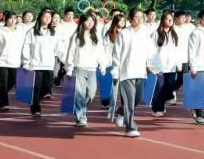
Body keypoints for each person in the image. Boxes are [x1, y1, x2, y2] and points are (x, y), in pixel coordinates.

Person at [110, 8, 156, 137]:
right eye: (137, 17)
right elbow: (117, 53)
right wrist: (115, 70)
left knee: (137, 98)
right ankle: (130, 127)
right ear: (131, 19)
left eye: (141, 17)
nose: (140, 19)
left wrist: (150, 64)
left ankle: (121, 111)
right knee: (129, 100)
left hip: (140, 71)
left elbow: (150, 51)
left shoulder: (145, 33)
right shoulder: (124, 33)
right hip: (126, 72)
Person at [64, 10, 108, 127]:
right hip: (79, 67)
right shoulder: (76, 36)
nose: (90, 23)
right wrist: (69, 68)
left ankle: (79, 108)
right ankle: (81, 117)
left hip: (92, 69)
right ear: (82, 22)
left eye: (92, 21)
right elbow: (71, 52)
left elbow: (100, 53)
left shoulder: (95, 37)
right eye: (87, 21)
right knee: (80, 93)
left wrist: (103, 66)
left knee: (91, 94)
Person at [22, 8, 60, 118]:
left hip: (49, 64)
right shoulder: (32, 32)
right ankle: (35, 108)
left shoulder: (53, 32)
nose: (48, 19)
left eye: (49, 17)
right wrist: (26, 62)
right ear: (40, 18)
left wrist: (66, 61)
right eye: (45, 17)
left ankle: (34, 100)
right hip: (35, 64)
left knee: (48, 87)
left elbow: (58, 48)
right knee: (37, 87)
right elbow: (26, 47)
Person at [0, 11, 27, 111]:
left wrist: (25, 60)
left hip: (15, 61)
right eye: (10, 18)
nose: (12, 21)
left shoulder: (20, 32)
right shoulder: (0, 31)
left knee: (13, 81)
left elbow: (24, 47)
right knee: (3, 82)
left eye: (15, 19)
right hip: (2, 61)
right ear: (5, 19)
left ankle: (1, 93)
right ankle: (3, 104)